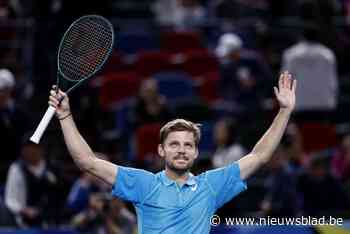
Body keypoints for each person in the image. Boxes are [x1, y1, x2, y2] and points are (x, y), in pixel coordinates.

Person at [48, 71, 296, 233]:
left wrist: (284, 112)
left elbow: (259, 156)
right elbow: (87, 161)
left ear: (196, 152)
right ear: (161, 150)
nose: (181, 150)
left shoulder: (211, 186)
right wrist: (66, 116)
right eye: (174, 144)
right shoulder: (143, 184)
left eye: (188, 145)